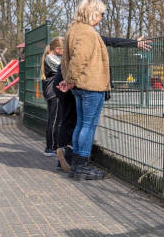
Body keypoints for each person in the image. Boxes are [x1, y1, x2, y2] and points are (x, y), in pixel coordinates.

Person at [54, 34, 151, 172]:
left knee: (72, 120)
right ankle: (71, 156)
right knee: (80, 123)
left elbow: (111, 41)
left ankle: (66, 155)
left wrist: (134, 43)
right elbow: (111, 41)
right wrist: (134, 43)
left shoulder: (77, 35)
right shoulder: (87, 36)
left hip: (66, 80)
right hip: (71, 81)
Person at [57, 0, 110, 180]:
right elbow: (79, 59)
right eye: (100, 13)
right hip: (91, 84)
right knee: (88, 125)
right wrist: (70, 80)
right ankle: (82, 166)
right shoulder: (87, 32)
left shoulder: (73, 30)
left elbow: (66, 60)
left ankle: (77, 165)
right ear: (92, 13)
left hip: (80, 85)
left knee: (81, 123)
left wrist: (68, 80)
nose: (102, 17)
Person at [40, 37, 64, 156]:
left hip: (54, 92)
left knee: (55, 119)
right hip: (53, 92)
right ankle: (51, 147)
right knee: (54, 120)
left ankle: (54, 146)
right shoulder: (51, 58)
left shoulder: (55, 57)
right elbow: (64, 67)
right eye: (63, 49)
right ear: (57, 49)